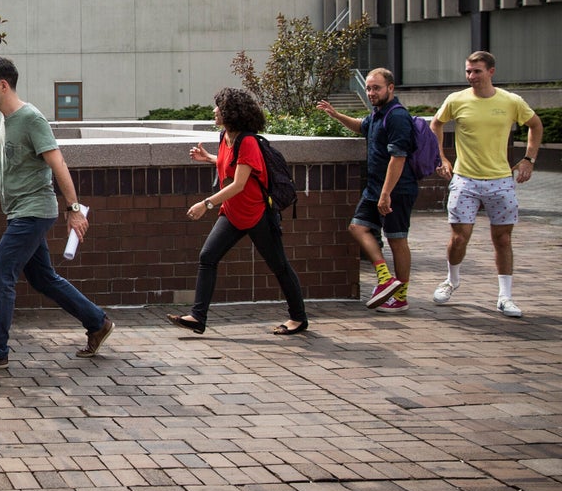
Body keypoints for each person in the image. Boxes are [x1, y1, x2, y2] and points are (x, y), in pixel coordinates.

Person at [0, 56, 113, 372]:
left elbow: (58, 162)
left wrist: (74, 210)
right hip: (20, 212)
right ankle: (97, 322)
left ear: (3, 85)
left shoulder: (31, 119)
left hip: (33, 212)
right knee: (42, 278)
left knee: (0, 274)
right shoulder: (5, 120)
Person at [167, 87, 308, 335]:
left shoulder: (249, 141)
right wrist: (209, 158)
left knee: (279, 265)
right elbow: (230, 164)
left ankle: (299, 318)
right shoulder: (225, 137)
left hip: (257, 215)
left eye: (218, 107)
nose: (214, 111)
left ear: (230, 112)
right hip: (232, 213)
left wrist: (206, 204)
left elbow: (239, 183)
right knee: (207, 257)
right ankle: (197, 317)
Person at [429, 51, 543, 317]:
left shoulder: (511, 101)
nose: (471, 76)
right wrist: (442, 157)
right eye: (468, 71)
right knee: (459, 237)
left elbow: (535, 125)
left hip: (501, 181)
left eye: (476, 71)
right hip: (464, 179)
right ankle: (451, 281)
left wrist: (529, 159)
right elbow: (436, 125)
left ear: (491, 71)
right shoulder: (455, 100)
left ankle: (505, 297)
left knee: (502, 239)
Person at [317, 68, 417, 313]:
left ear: (390, 88)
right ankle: (385, 279)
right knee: (357, 227)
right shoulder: (377, 113)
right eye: (369, 88)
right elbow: (362, 127)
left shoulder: (397, 116)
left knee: (397, 239)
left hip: (396, 190)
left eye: (376, 88)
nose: (371, 92)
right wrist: (336, 114)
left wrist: (386, 194)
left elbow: (398, 158)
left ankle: (400, 296)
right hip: (374, 189)